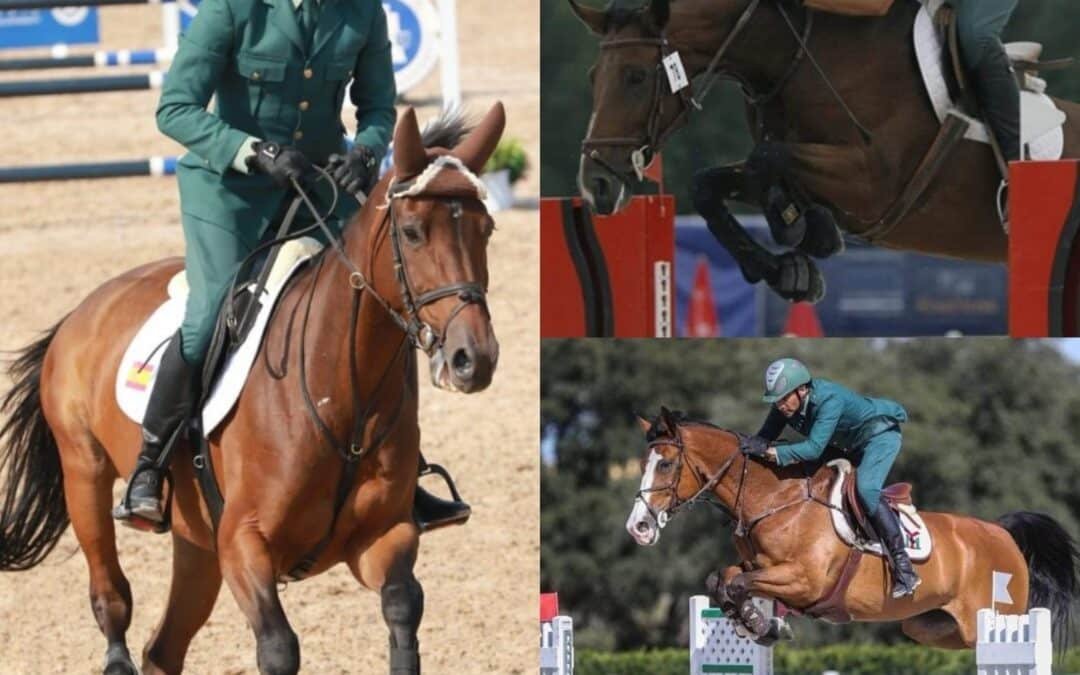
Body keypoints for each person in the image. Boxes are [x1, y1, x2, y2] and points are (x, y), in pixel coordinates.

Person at [113, 0, 468, 532]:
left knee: (383, 299)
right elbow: (176, 109)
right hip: (228, 191)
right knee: (210, 312)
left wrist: (366, 153)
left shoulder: (360, 11)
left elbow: (376, 107)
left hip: (320, 184)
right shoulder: (232, 9)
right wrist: (254, 150)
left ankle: (405, 473)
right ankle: (152, 464)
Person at [745, 358, 921, 598]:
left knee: (866, 489)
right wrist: (745, 447)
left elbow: (814, 448)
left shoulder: (829, 399)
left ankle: (905, 568)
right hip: (846, 446)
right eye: (776, 400)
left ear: (802, 389)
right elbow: (764, 437)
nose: (781, 405)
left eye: (784, 398)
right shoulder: (785, 405)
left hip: (878, 437)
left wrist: (773, 452)